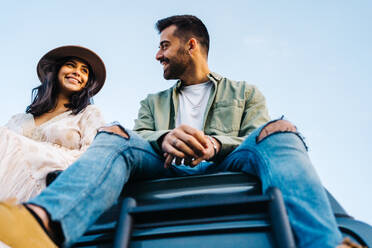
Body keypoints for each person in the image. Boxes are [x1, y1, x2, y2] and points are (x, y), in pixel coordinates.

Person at [0, 16, 361, 248]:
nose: (158, 55)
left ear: (191, 45)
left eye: (163, 46)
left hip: (229, 163)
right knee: (114, 132)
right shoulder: (152, 101)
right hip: (165, 164)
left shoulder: (246, 93)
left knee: (281, 130)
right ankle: (46, 221)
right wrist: (163, 138)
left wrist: (218, 144)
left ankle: (325, 244)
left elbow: (255, 137)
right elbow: (137, 137)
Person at [0, 45, 106, 203]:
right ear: (56, 71)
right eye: (70, 65)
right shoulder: (19, 119)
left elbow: (92, 156)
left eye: (84, 70)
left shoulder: (88, 114)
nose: (77, 72)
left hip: (53, 185)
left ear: (86, 83)